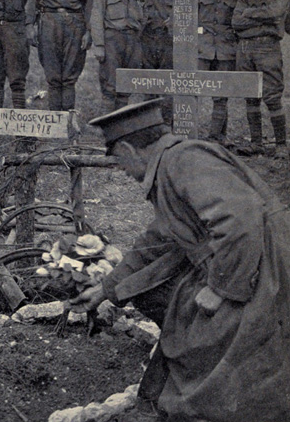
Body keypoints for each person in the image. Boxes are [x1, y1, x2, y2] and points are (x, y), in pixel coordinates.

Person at [70, 98, 290, 422]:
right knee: (189, 336)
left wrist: (219, 289)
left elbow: (240, 221)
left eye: (119, 162)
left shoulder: (186, 160)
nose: (124, 172)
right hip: (245, 265)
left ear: (130, 150)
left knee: (230, 358)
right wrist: (105, 288)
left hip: (263, 267)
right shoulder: (170, 170)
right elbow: (156, 241)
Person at [232, 0, 290, 159]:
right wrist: (264, 21)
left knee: (273, 96)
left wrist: (250, 15)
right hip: (246, 48)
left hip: (268, 48)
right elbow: (236, 22)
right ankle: (256, 143)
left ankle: (281, 144)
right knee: (250, 95)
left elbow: (275, 13)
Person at [91, 0, 144, 112]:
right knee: (109, 85)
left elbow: (144, 13)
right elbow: (97, 14)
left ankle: (121, 124)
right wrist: (99, 45)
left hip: (133, 41)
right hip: (112, 39)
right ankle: (108, 127)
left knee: (126, 84)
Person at [198, 0, 239, 143]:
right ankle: (189, 132)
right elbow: (192, 22)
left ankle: (216, 137)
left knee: (221, 96)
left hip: (226, 51)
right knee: (192, 89)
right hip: (202, 49)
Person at [140, 0, 173, 124]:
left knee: (168, 84)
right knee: (149, 85)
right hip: (148, 40)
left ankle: (167, 124)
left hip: (168, 41)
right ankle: (150, 125)